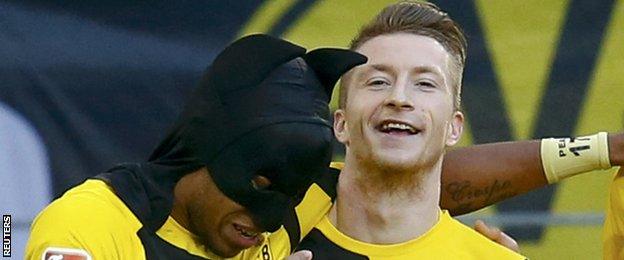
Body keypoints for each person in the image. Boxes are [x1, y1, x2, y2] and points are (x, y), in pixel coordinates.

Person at [295, 1, 622, 259]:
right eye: (378, 81)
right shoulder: (263, 232)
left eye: (425, 83)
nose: (399, 97)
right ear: (340, 123)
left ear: (454, 128)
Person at [25, 34, 369, 260]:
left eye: (294, 194)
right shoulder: (87, 227)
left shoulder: (315, 199)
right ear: (208, 147)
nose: (271, 220)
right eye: (260, 185)